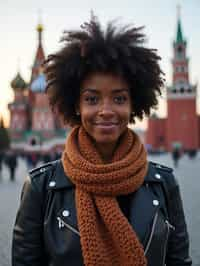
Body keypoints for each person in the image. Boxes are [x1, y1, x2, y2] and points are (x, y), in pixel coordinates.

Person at [12, 16, 192, 266]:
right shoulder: (42, 187)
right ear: (75, 105)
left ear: (134, 105)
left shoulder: (163, 184)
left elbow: (178, 261)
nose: (106, 110)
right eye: (92, 99)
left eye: (119, 99)